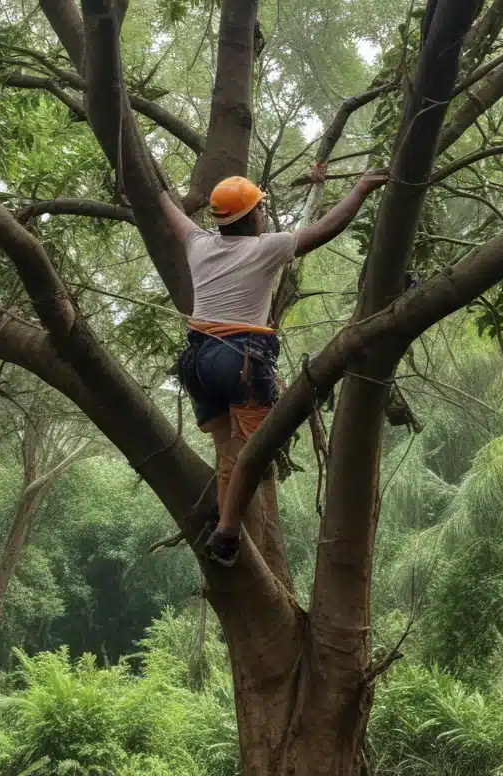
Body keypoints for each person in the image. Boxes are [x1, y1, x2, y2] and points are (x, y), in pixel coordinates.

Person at [159, 166, 388, 566]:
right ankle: (227, 535)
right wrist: (362, 188)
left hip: (196, 362)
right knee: (245, 454)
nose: (263, 215)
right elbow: (327, 228)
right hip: (240, 360)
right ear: (251, 218)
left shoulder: (199, 243)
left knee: (227, 450)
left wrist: (149, 189)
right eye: (260, 209)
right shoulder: (266, 248)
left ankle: (223, 514)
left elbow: (170, 213)